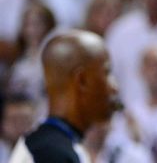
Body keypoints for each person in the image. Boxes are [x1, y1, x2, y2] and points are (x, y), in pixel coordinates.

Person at [8, 29, 121, 163]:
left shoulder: (51, 144)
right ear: (82, 81)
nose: (114, 88)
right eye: (106, 73)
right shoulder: (50, 154)